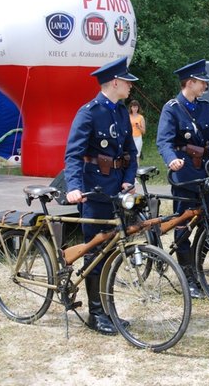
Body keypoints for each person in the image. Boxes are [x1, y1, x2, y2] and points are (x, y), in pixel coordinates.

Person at [64, 57, 139, 335]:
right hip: (95, 192)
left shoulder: (121, 113)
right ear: (115, 82)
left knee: (111, 253)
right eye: (127, 81)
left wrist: (129, 180)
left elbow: (130, 151)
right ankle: (96, 314)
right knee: (95, 253)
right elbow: (73, 154)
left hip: (118, 192)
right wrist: (74, 186)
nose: (131, 86)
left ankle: (108, 310)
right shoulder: (89, 112)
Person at [156, 59, 209, 298]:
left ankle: (197, 269)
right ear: (190, 82)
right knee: (184, 223)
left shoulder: (204, 107)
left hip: (206, 172)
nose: (206, 86)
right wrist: (170, 159)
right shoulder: (172, 108)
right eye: (202, 82)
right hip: (184, 172)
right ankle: (187, 277)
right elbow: (163, 141)